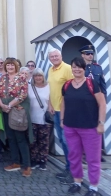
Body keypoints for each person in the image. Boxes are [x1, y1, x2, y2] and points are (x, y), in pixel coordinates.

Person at [61, 57, 106, 196]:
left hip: (90, 128)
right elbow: (63, 103)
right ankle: (77, 182)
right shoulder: (67, 84)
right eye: (74, 67)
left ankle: (93, 187)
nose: (77, 69)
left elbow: (102, 104)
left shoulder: (92, 83)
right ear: (71, 68)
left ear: (84, 68)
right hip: (70, 127)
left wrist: (101, 123)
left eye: (79, 67)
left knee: (93, 158)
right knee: (74, 156)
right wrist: (62, 119)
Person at [0, 57, 33, 177]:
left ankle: (26, 165)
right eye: (8, 65)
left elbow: (23, 94)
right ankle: (15, 162)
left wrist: (10, 105)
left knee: (20, 137)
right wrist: (2, 105)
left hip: (16, 110)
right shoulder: (3, 78)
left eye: (12, 65)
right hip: (5, 110)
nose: (10, 67)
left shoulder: (21, 78)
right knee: (10, 137)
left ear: (15, 66)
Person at [47, 48, 74, 182]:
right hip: (56, 110)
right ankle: (68, 167)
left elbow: (74, 87)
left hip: (67, 111)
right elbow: (51, 89)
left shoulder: (68, 68)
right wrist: (50, 105)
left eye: (56, 56)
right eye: (52, 56)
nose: (54, 58)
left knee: (68, 141)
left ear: (61, 56)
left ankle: (73, 171)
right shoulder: (51, 70)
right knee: (63, 141)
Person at [79, 45, 107, 163]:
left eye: (91, 54)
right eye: (87, 54)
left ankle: (97, 153)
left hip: (96, 101)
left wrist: (103, 100)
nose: (90, 56)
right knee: (84, 127)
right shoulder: (79, 68)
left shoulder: (97, 68)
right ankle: (85, 154)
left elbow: (102, 84)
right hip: (84, 101)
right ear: (82, 55)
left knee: (97, 127)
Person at [28, 68, 51, 170]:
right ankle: (34, 160)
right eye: (36, 76)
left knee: (43, 141)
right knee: (33, 141)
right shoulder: (30, 87)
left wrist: (51, 108)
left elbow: (50, 100)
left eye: (40, 76)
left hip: (44, 118)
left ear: (43, 77)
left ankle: (43, 161)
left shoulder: (48, 87)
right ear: (33, 77)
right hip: (32, 117)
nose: (38, 78)